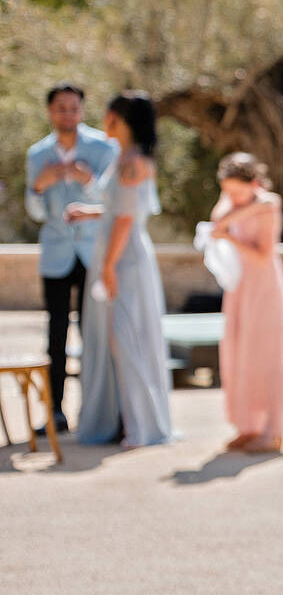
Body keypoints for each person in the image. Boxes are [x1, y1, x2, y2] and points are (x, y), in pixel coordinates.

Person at [68, 91, 174, 448]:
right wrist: (89, 211)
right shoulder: (125, 159)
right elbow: (119, 210)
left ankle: (139, 427)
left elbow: (128, 218)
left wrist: (109, 267)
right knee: (118, 336)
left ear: (116, 118)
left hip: (124, 259)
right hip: (115, 254)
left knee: (125, 337)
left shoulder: (132, 162)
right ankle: (123, 422)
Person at [25, 83, 117, 433]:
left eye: (73, 108)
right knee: (57, 332)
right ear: (50, 111)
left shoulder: (102, 148)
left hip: (92, 252)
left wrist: (88, 180)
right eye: (61, 108)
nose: (68, 114)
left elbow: (114, 202)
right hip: (56, 254)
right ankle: (55, 412)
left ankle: (94, 411)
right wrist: (39, 187)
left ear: (82, 110)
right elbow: (35, 212)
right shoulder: (37, 155)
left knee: (93, 332)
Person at [208, 152, 283, 453]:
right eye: (228, 191)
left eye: (237, 191)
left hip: (264, 287)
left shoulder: (268, 207)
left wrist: (231, 234)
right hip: (239, 288)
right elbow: (216, 222)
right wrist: (238, 211)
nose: (232, 196)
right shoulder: (244, 203)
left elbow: (262, 255)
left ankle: (273, 431)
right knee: (240, 352)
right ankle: (248, 425)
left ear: (255, 183)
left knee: (267, 356)